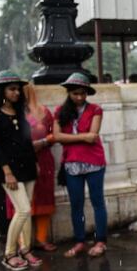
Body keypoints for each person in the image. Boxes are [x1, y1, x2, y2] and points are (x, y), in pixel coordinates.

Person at [0, 70, 41, 271]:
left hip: (27, 165)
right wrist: (7, 172)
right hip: (9, 169)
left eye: (18, 89)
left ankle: (25, 249)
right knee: (23, 209)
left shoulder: (19, 110)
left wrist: (35, 162)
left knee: (26, 211)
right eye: (12, 89)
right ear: (1, 91)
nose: (17, 92)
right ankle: (9, 254)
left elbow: (26, 140)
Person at [53, 73, 108, 258]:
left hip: (94, 162)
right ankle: (80, 241)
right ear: (69, 93)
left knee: (97, 201)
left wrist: (73, 138)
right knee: (76, 205)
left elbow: (93, 135)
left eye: (83, 94)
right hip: (71, 164)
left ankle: (100, 241)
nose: (79, 97)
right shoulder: (60, 112)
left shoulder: (96, 109)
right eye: (75, 93)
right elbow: (57, 136)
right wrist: (82, 137)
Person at [4, 84, 58, 252]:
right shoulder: (8, 114)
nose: (20, 95)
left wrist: (42, 142)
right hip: (18, 163)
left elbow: (54, 134)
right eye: (16, 92)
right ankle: (22, 244)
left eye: (23, 92)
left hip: (43, 161)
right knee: (22, 204)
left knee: (43, 200)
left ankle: (41, 239)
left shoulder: (43, 112)